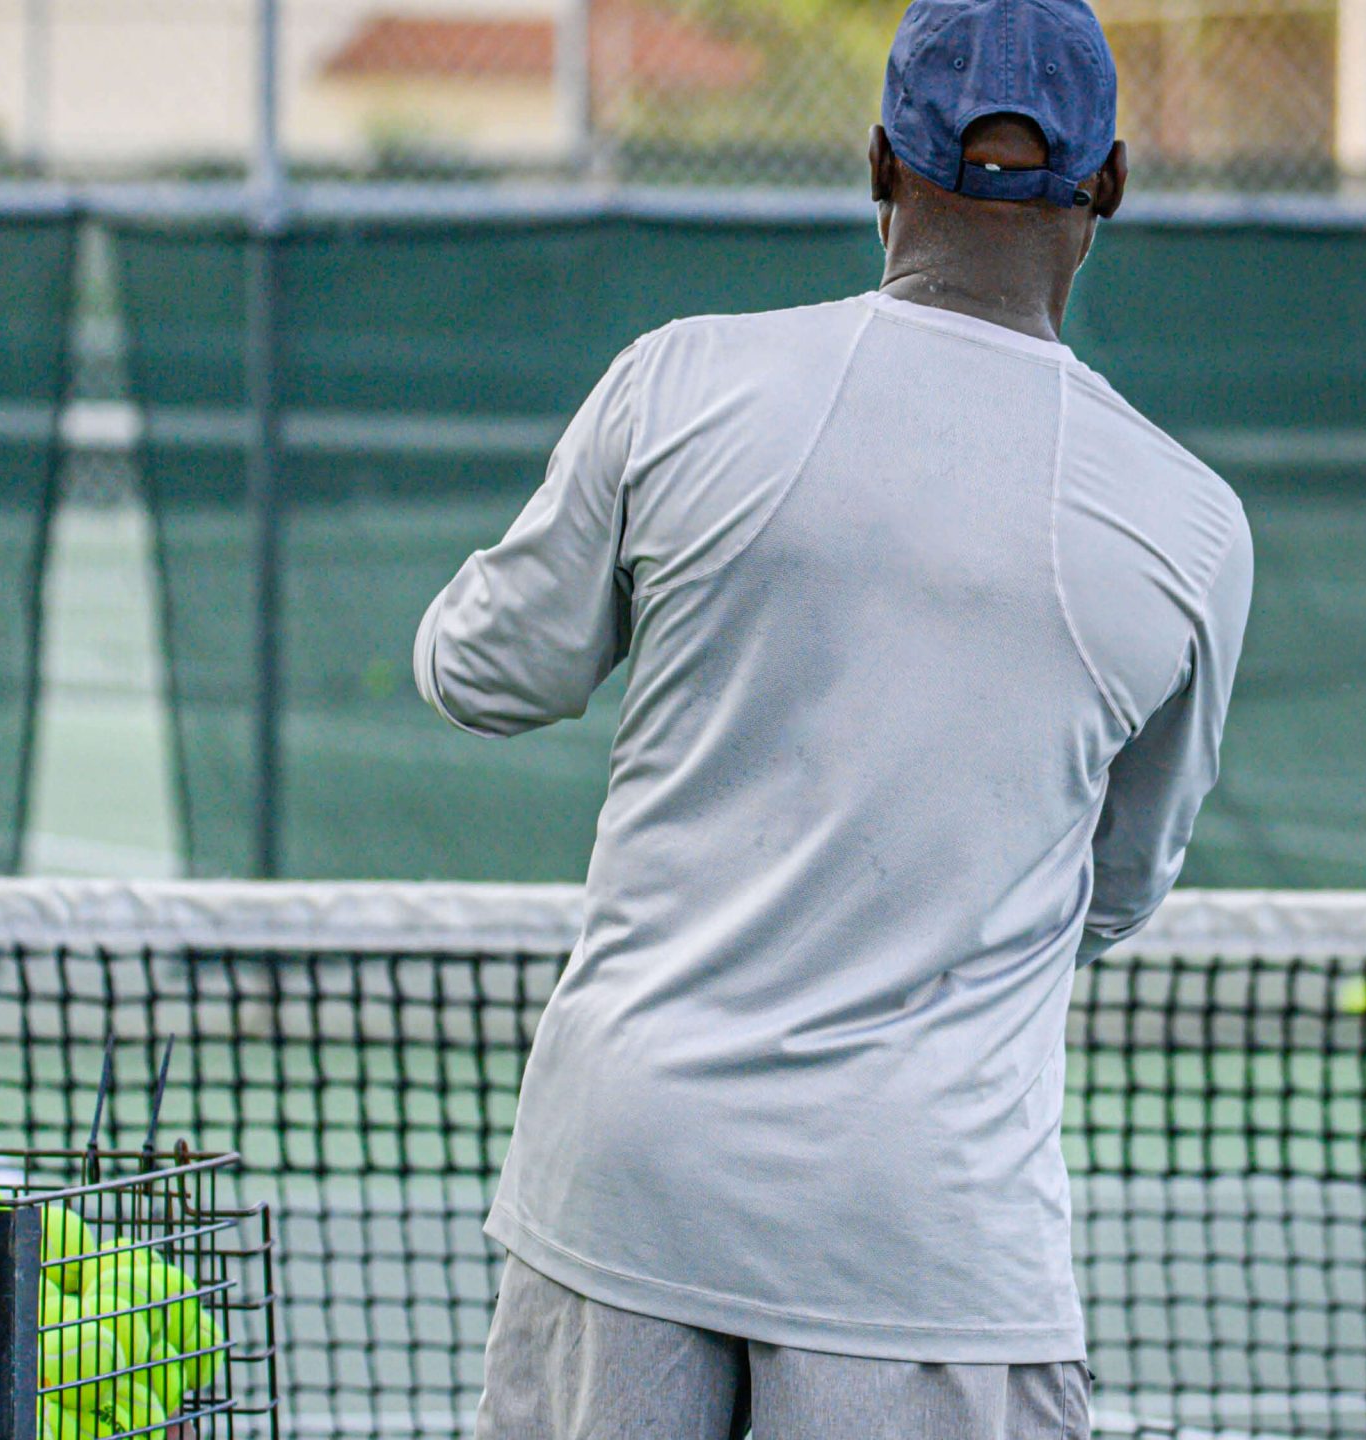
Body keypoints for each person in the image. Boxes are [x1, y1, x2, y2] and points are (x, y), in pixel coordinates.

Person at [414, 0, 1253, 1434]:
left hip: (627, 1182)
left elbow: (485, 672)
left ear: (878, 162)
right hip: (929, 1238)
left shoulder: (676, 381)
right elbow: (1110, 892)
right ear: (1109, 181)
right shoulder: (1192, 528)